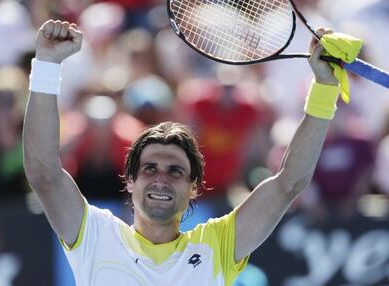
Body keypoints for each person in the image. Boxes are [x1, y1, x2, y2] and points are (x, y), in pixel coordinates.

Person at [23, 19, 340, 285]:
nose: (161, 179)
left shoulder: (218, 244)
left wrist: (325, 88)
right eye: (150, 169)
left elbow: (289, 183)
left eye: (175, 171)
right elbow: (44, 174)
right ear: (130, 181)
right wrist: (47, 65)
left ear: (193, 188)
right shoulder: (95, 235)